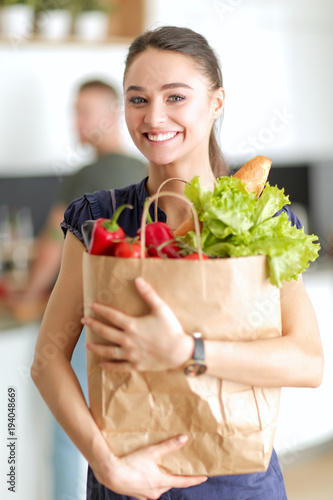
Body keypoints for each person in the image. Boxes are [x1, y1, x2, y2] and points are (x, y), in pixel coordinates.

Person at [31, 26, 324, 500]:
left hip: (236, 482)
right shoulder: (98, 218)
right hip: (126, 482)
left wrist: (188, 353)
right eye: (138, 99)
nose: (155, 116)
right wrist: (108, 466)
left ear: (216, 101)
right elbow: (47, 363)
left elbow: (308, 362)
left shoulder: (259, 217)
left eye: (176, 97)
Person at [24, 79, 147, 300]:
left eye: (84, 113)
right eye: (75, 114)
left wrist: (28, 295)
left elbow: (55, 239)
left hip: (90, 304)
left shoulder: (86, 175)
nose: (76, 123)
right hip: (137, 297)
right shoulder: (144, 168)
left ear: (111, 118)